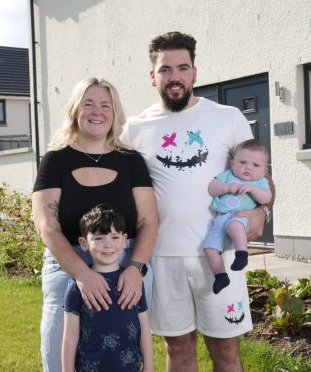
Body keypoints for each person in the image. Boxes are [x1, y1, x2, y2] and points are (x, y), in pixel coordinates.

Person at [120, 32, 274, 371]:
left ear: (194, 73)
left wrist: (261, 211)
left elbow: (260, 176)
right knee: (178, 351)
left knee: (227, 352)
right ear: (152, 76)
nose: (174, 77)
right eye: (165, 70)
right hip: (163, 257)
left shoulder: (228, 117)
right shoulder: (134, 129)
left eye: (182, 67)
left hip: (218, 253)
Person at [32, 77, 158, 372]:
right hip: (68, 266)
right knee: (59, 359)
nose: (96, 111)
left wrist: (135, 268)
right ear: (75, 110)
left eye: (105, 105)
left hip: (127, 266)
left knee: (123, 358)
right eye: (88, 104)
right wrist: (82, 275)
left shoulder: (131, 162)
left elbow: (149, 220)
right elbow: (46, 226)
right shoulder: (55, 162)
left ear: (114, 113)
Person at [62, 204, 153, 372]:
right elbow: (70, 337)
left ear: (125, 240)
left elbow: (144, 328)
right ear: (84, 243)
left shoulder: (134, 282)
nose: (108, 244)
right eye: (99, 238)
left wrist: (149, 367)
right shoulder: (76, 287)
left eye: (114, 237)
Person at [203, 139, 272, 294]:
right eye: (242, 162)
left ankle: (241, 254)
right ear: (233, 164)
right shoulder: (227, 176)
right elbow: (212, 188)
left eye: (255, 165)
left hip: (241, 217)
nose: (248, 167)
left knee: (234, 225)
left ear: (263, 171)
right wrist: (226, 187)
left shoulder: (260, 182)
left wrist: (253, 190)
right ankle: (221, 276)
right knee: (210, 249)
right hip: (221, 219)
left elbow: (266, 198)